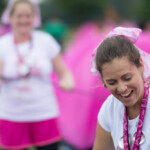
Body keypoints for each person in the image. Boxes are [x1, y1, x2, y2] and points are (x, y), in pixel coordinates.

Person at [0, 0, 74, 150]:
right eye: (19, 16)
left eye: (28, 16)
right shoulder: (3, 44)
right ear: (11, 17)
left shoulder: (46, 41)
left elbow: (64, 72)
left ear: (34, 18)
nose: (24, 20)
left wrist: (67, 81)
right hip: (12, 115)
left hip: (44, 112)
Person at [91, 27, 150, 150]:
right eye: (112, 82)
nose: (122, 88)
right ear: (103, 81)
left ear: (141, 65)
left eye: (127, 78)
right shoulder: (109, 108)